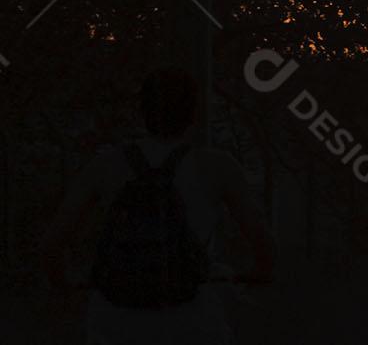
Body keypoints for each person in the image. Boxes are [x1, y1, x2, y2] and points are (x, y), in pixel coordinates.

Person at [41, 67, 275, 344]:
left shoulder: (104, 165)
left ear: (143, 111)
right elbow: (264, 245)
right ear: (193, 114)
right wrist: (250, 275)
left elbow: (53, 243)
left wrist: (67, 283)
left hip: (113, 321)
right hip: (193, 321)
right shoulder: (218, 166)